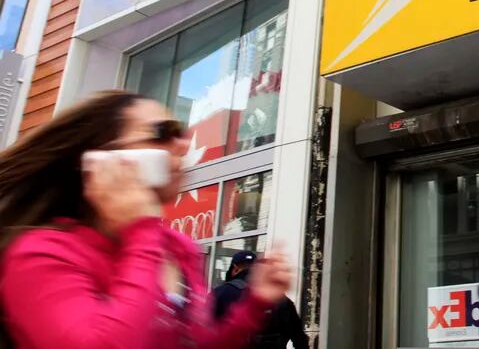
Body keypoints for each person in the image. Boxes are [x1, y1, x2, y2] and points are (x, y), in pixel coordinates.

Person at [0, 90, 292, 348]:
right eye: (162, 133)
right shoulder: (43, 253)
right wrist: (141, 230)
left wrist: (255, 304)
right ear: (101, 160)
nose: (183, 145)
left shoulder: (178, 248)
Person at [213, 251, 309, 349]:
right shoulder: (281, 299)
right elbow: (299, 339)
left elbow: (208, 336)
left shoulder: (220, 293)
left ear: (235, 269)